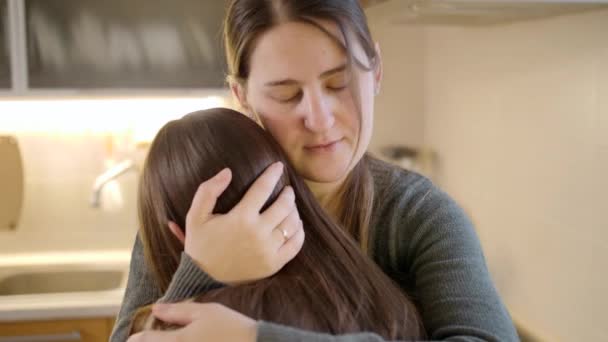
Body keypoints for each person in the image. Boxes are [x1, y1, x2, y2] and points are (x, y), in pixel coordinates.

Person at [112, 0, 520, 341]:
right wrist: (201, 272)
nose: (320, 119)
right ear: (243, 98)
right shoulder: (199, 207)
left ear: (376, 70)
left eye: (338, 83)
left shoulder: (417, 216)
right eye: (287, 95)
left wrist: (255, 337)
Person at [127, 108, 426, 340]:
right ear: (283, 186)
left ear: (177, 235)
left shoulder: (175, 333)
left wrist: (195, 276)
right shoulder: (370, 296)